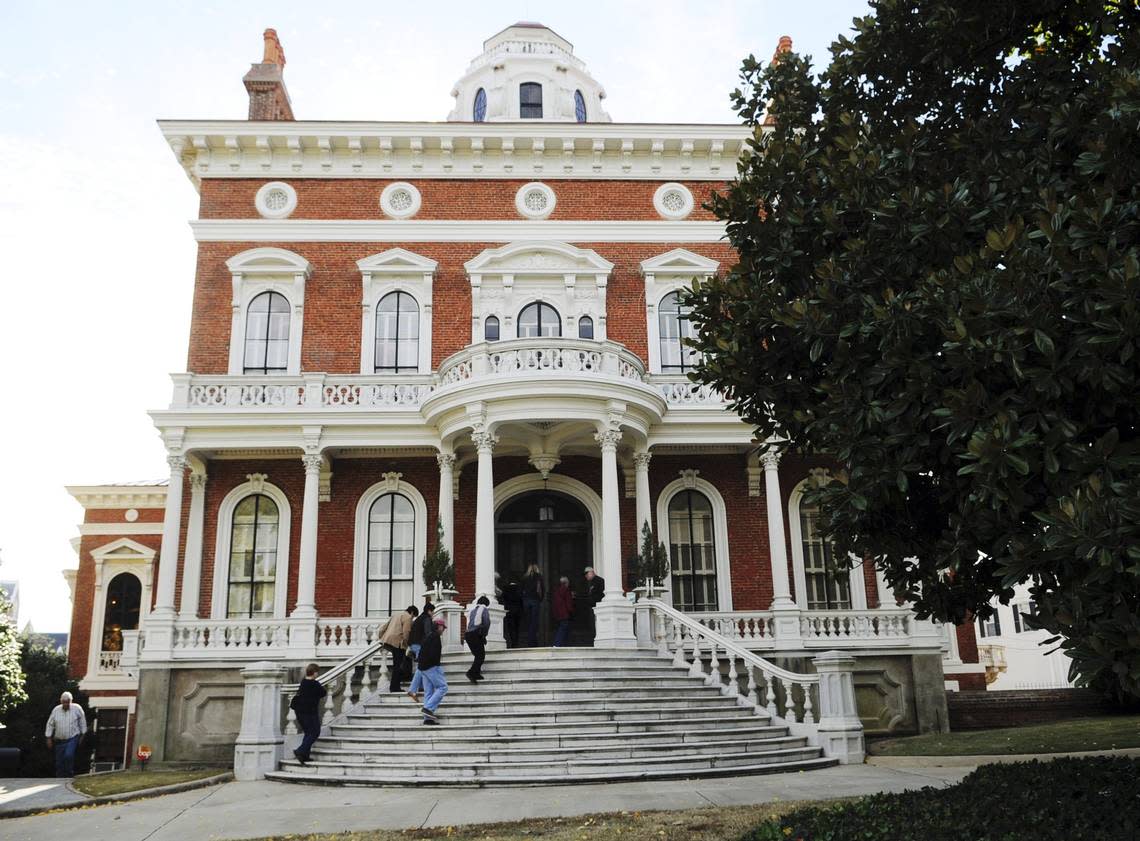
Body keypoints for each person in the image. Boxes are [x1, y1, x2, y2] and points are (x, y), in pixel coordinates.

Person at [290, 663, 327, 765]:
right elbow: (323, 692)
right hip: (309, 712)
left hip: (300, 712)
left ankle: (304, 756)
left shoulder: (303, 682)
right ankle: (300, 750)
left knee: (308, 733)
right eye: (317, 672)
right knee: (315, 732)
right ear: (314, 673)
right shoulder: (314, 684)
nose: (317, 674)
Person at [378, 604, 419, 693]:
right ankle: (395, 687)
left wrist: (382, 637)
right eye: (413, 617)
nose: (412, 619)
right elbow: (406, 632)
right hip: (398, 643)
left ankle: (396, 684)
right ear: (412, 612)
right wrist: (407, 644)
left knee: (397, 664)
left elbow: (383, 628)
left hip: (389, 641)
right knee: (398, 665)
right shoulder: (407, 617)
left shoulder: (396, 615)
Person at [44, 691, 86, 777]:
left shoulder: (77, 709)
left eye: (68, 702)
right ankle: (60, 779)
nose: (66, 704)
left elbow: (82, 722)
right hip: (59, 740)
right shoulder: (56, 710)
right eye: (64, 702)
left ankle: (69, 775)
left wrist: (83, 734)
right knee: (59, 762)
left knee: (68, 755)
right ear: (61, 701)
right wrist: (48, 738)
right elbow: (50, 724)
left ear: (71, 701)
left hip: (72, 738)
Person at [417, 616, 449, 724]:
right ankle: (428, 708)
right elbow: (434, 654)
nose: (444, 629)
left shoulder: (428, 636)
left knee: (429, 692)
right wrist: (436, 666)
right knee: (443, 687)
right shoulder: (435, 637)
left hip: (423, 667)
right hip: (430, 667)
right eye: (443, 627)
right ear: (438, 626)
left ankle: (428, 719)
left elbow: (422, 652)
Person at [406, 601, 435, 704]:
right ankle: (413, 689)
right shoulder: (426, 618)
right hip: (419, 644)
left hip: (413, 644)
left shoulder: (419, 618)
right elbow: (428, 633)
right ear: (429, 611)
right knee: (422, 667)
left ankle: (421, 687)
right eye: (433, 611)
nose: (433, 614)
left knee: (421, 666)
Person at [464, 595, 491, 682]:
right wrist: (484, 635)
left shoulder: (472, 611)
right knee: (480, 656)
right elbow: (486, 623)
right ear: (486, 603)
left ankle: (476, 673)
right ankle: (471, 672)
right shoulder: (484, 609)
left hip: (468, 634)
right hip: (476, 634)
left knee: (478, 655)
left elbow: (469, 624)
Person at [521, 563, 544, 647]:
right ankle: (532, 642)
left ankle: (531, 641)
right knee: (534, 622)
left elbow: (521, 590)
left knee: (529, 622)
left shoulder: (524, 578)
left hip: (526, 601)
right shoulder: (539, 577)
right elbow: (542, 589)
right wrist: (540, 599)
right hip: (535, 601)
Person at [552, 576, 574, 647]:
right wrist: (571, 611)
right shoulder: (566, 590)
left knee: (563, 628)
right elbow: (568, 602)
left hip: (558, 613)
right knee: (563, 629)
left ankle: (563, 644)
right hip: (565, 613)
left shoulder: (557, 591)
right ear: (566, 583)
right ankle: (557, 644)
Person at [585, 567, 605, 640]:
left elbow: (601, 594)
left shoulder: (599, 581)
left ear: (592, 572)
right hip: (593, 606)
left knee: (598, 623)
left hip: (598, 607)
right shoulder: (592, 582)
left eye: (587, 574)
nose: (586, 576)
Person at [502, 578, 522, 648]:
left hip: (509, 611)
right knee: (517, 628)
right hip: (517, 611)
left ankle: (511, 642)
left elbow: (503, 599)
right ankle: (516, 643)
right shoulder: (519, 589)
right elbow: (521, 600)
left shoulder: (506, 589)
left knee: (510, 628)